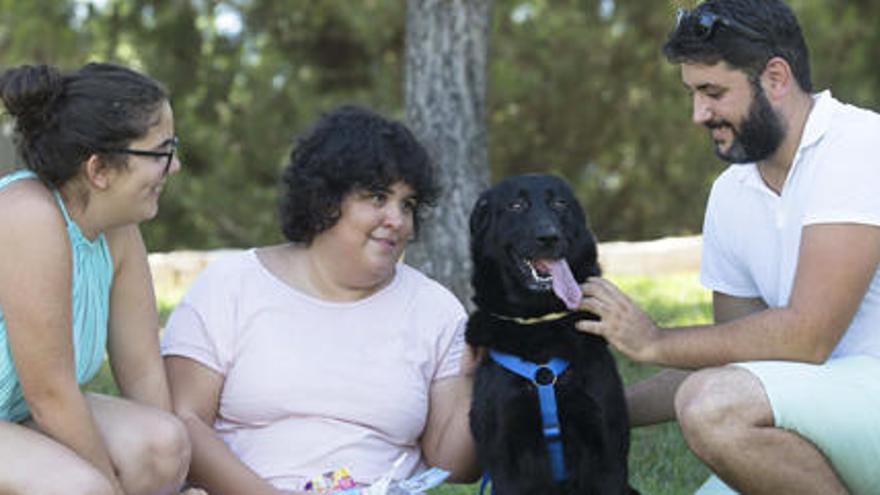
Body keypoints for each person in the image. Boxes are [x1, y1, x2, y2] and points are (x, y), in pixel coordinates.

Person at [576, 1, 880, 494]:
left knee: (713, 407)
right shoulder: (731, 193)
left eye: (713, 92)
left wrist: (655, 341)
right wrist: (592, 414)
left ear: (776, 78)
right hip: (820, 425)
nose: (699, 114)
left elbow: (808, 336)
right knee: (715, 399)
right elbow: (732, 357)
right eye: (692, 94)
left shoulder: (858, 144)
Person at [162, 104, 478, 494]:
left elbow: (453, 464)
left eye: (407, 205)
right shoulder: (230, 286)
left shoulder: (435, 309)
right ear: (326, 200)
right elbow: (184, 418)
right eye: (378, 197)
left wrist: (478, 376)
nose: (397, 219)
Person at [0, 63, 199, 494]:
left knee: (163, 445)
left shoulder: (119, 229)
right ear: (99, 169)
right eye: (161, 151)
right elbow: (50, 395)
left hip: (13, 413)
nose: (176, 165)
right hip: (31, 407)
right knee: (81, 488)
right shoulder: (27, 217)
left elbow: (144, 372)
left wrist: (176, 487)